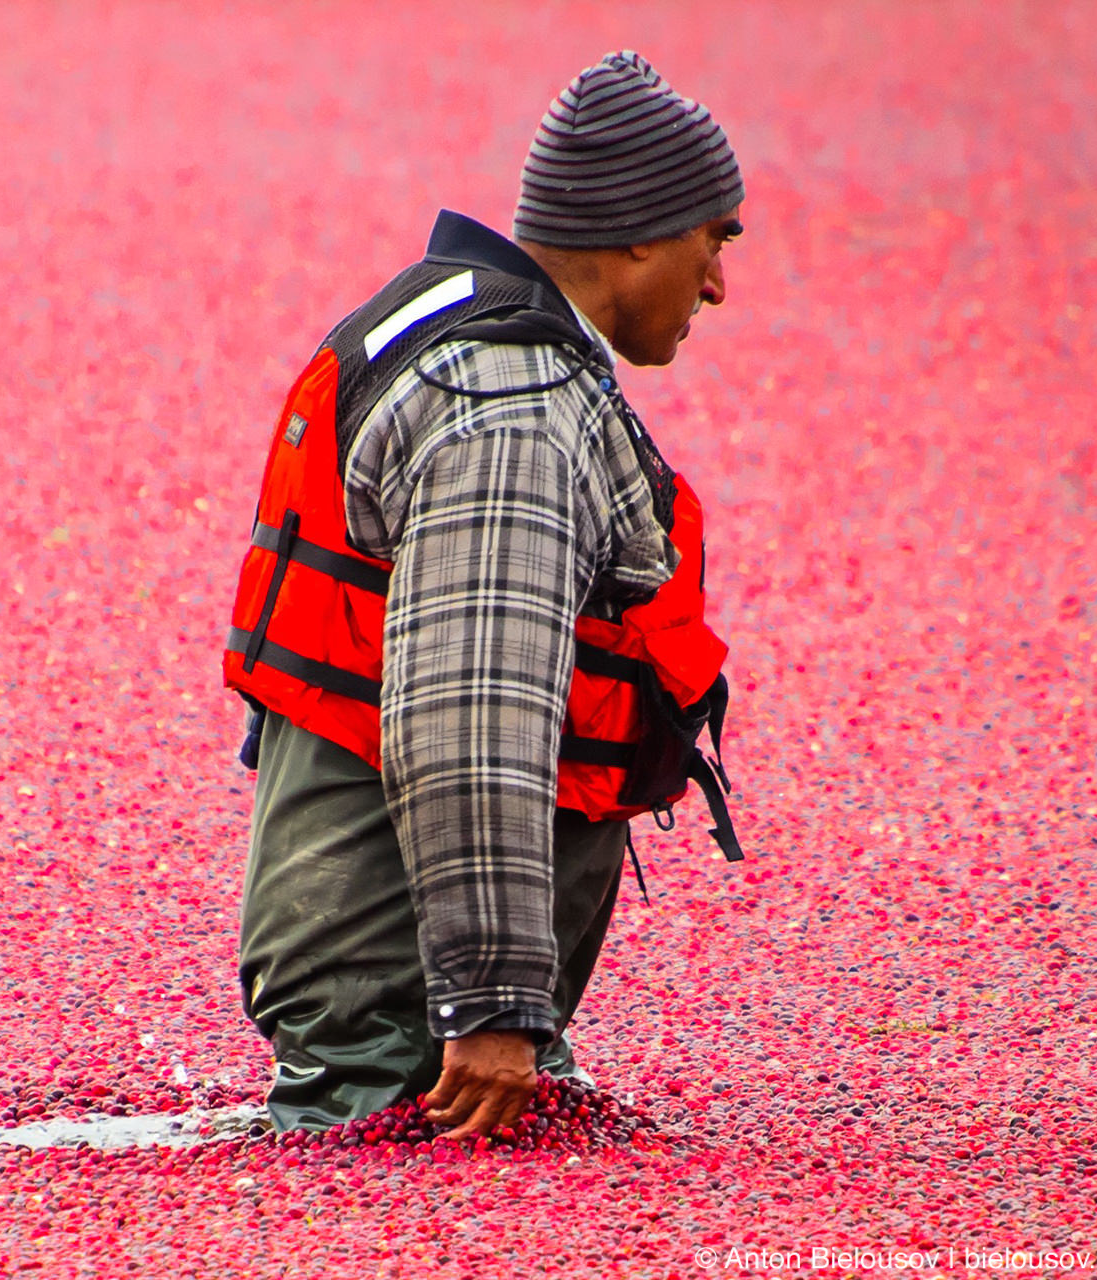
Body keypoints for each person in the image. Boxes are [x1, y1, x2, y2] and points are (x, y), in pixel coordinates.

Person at [223, 51, 747, 1139]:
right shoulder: (506, 404)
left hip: (402, 979)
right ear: (641, 232)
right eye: (714, 238)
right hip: (404, 1011)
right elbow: (469, 721)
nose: (717, 283)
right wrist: (496, 1000)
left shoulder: (451, 327)